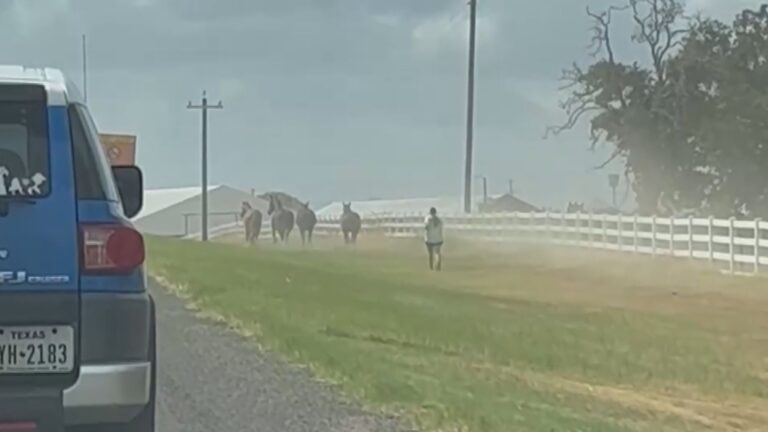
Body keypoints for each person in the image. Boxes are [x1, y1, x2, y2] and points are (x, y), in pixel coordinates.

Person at [424, 207, 444, 271]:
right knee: (437, 253)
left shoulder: (428, 218)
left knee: (430, 253)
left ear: (430, 212)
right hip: (438, 239)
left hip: (429, 239)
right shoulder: (439, 220)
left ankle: (431, 267)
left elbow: (426, 227)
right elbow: (441, 229)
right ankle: (438, 265)